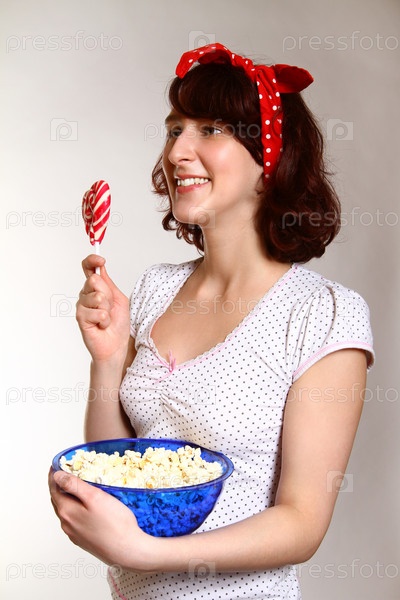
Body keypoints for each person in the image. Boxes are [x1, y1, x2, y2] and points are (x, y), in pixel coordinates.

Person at [49, 43, 374, 599]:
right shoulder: (155, 290)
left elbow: (301, 522)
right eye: (175, 129)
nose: (178, 151)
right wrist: (107, 359)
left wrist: (145, 553)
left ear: (270, 160)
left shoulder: (322, 314)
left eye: (212, 130)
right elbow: (119, 464)